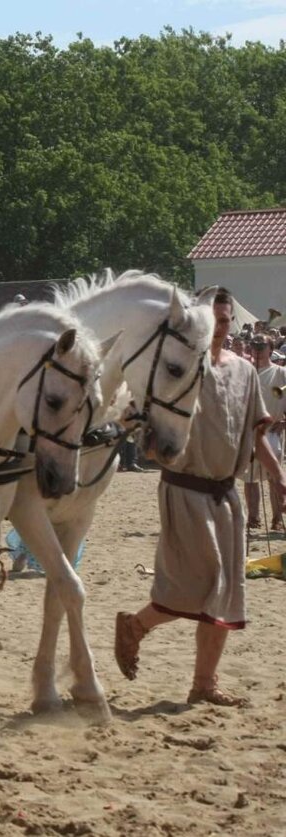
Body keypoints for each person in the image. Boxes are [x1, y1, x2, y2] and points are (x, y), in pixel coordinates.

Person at [115, 289, 286, 707]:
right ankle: (136, 626)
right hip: (184, 489)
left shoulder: (245, 371)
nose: (220, 327)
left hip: (227, 495)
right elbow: (132, 416)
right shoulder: (175, 368)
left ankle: (204, 685)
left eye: (225, 320)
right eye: (214, 319)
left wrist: (279, 477)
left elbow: (255, 436)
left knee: (224, 590)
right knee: (192, 585)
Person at [242, 335, 286, 530]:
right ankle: (253, 518)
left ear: (270, 348)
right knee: (250, 478)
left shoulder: (281, 373)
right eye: (254, 345)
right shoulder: (245, 372)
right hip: (249, 432)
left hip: (271, 431)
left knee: (274, 478)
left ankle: (277, 519)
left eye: (261, 346)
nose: (257, 349)